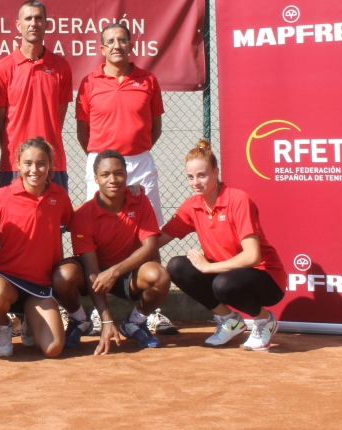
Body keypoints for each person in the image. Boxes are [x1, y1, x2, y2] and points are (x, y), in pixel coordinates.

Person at [74, 22, 178, 337]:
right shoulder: (89, 82)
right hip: (102, 164)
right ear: (102, 48)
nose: (116, 45)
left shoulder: (148, 80)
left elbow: (155, 127)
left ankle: (153, 312)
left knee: (150, 233)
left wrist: (133, 154)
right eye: (110, 41)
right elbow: (83, 132)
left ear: (131, 45)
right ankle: (98, 311)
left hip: (139, 162)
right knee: (100, 232)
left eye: (122, 40)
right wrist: (103, 164)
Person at [158, 139, 287, 351]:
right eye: (190, 177)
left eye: (202, 175)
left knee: (223, 284)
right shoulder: (192, 206)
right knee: (176, 266)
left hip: (266, 278)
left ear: (216, 172)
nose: (196, 182)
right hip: (226, 275)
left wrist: (208, 268)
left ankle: (265, 321)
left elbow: (252, 256)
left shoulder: (238, 200)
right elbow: (158, 239)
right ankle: (229, 320)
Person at [52, 150, 171, 353]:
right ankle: (79, 320)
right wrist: (106, 321)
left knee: (159, 275)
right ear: (96, 178)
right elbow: (91, 269)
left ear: (126, 174)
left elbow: (150, 247)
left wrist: (115, 271)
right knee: (63, 276)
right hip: (95, 274)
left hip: (129, 273)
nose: (113, 180)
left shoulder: (140, 200)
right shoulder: (82, 215)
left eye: (119, 173)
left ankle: (135, 322)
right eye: (105, 175)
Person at [0, 137, 73, 358]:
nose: (34, 169)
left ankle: (29, 321)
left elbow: (77, 221)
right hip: (6, 278)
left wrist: (123, 195)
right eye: (28, 163)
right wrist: (2, 237)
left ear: (50, 165)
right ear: (18, 164)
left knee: (53, 349)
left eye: (41, 163)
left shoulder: (59, 196)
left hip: (39, 286)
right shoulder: (3, 195)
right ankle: (4, 326)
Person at [0, 0, 72, 190]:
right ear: (19, 25)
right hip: (14, 165)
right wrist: (17, 154)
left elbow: (58, 118)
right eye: (28, 18)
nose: (33, 23)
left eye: (39, 18)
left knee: (54, 219)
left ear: (47, 25)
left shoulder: (61, 67)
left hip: (53, 164)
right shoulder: (2, 68)